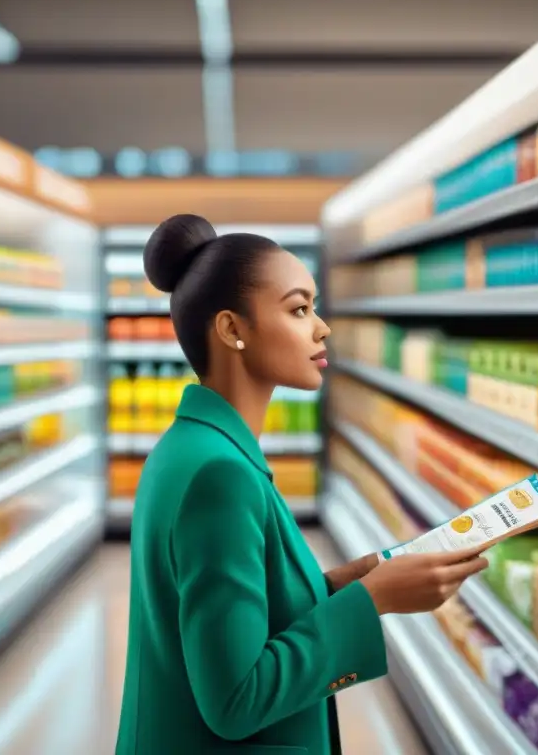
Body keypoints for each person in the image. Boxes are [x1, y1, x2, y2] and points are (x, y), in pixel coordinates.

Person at [114, 214, 488, 755]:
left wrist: (338, 586)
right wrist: (371, 600)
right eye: (299, 309)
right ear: (232, 330)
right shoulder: (221, 476)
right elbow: (235, 701)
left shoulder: (192, 448)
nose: (322, 327)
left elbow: (229, 620)